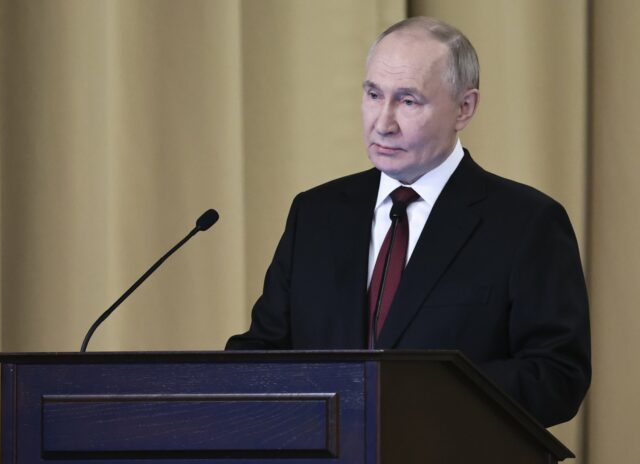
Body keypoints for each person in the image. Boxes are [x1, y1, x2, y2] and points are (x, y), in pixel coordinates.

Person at [226, 16, 591, 428]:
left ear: (464, 108)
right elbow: (263, 350)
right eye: (373, 95)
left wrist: (418, 396)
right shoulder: (315, 214)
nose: (383, 123)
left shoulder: (527, 223)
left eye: (408, 101)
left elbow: (557, 377)